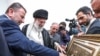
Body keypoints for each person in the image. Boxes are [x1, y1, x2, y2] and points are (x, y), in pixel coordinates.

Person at [0, 2, 66, 56]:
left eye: (44, 22)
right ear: (35, 20)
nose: (42, 24)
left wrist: (56, 45)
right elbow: (26, 44)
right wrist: (57, 54)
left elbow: (49, 43)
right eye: (41, 22)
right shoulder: (24, 28)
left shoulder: (45, 32)